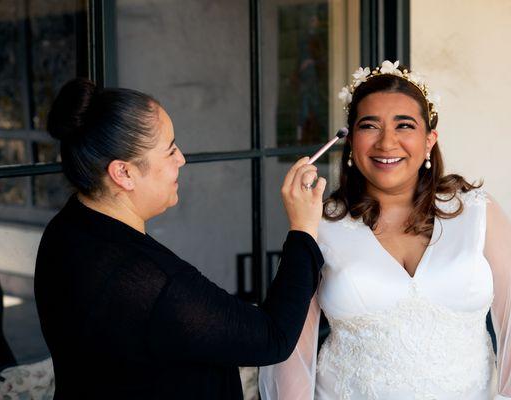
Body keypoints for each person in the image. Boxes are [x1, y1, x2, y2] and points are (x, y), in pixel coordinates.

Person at [259, 61, 511, 400]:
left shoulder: (478, 213)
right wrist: (301, 228)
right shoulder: (319, 222)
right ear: (351, 140)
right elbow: (292, 347)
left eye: (404, 126)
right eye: (370, 126)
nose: (387, 142)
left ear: (429, 140)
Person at [34, 78, 327, 399]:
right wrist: (302, 228)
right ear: (124, 173)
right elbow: (274, 337)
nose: (182, 159)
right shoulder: (151, 283)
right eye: (170, 149)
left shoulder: (65, 229)